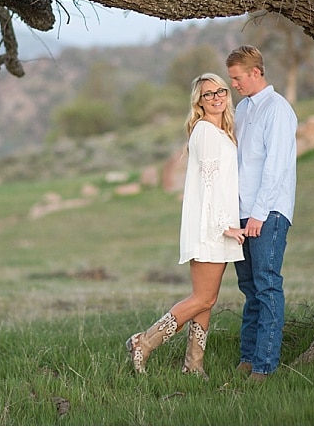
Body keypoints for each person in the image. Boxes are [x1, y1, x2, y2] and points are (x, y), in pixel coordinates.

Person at [126, 73, 246, 378]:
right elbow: (209, 186)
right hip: (210, 227)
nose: (217, 96)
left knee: (206, 299)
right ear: (199, 101)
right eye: (209, 94)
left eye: (221, 90)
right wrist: (225, 226)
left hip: (219, 226)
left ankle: (193, 365)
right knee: (202, 298)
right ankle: (144, 341)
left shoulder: (221, 132)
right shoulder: (205, 131)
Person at [226, 45, 297, 382]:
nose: (235, 84)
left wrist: (258, 213)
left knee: (267, 285)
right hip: (241, 214)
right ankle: (248, 357)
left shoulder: (277, 109)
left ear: (255, 72)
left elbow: (276, 167)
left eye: (238, 78)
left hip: (267, 213)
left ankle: (265, 365)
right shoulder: (241, 110)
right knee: (249, 288)